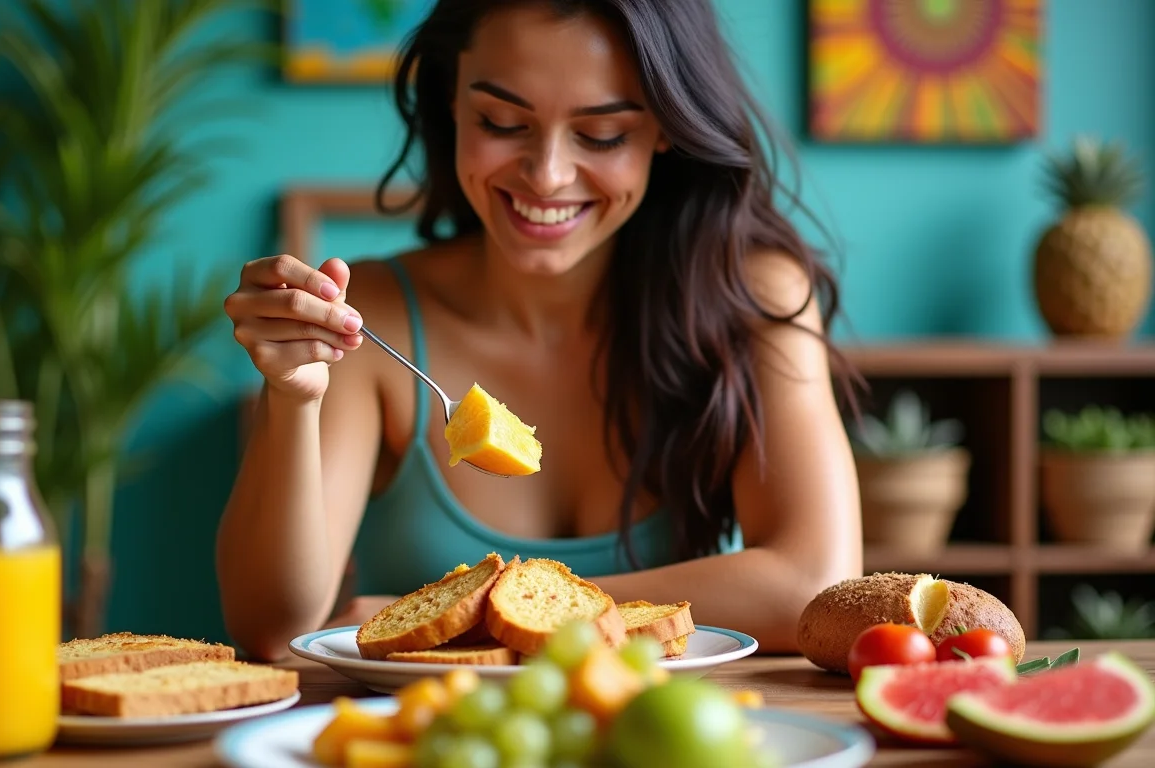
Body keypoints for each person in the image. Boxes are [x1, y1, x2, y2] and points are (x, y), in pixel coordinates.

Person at [217, 0, 862, 662]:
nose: (547, 174)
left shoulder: (753, 297)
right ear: (449, 99)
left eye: (603, 134)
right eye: (502, 121)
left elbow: (813, 587)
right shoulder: (371, 315)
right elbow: (272, 627)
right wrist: (294, 399)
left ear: (665, 127)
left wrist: (473, 613)